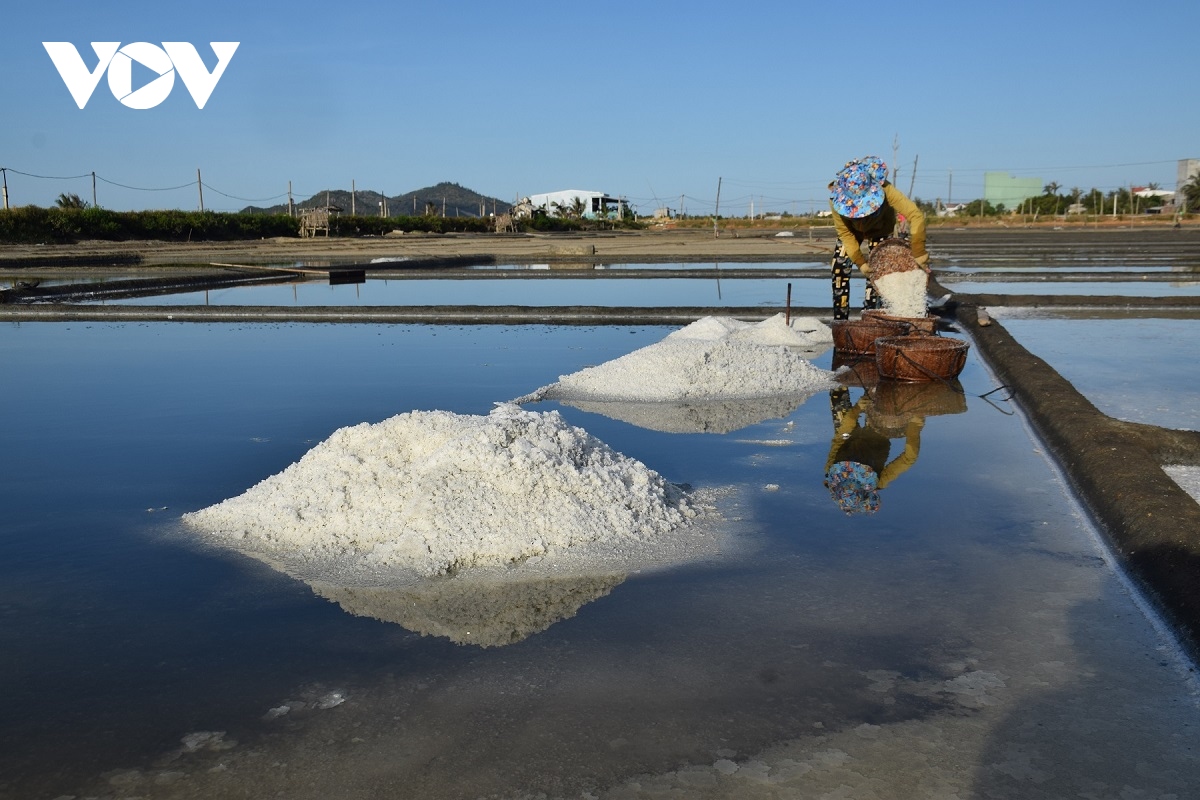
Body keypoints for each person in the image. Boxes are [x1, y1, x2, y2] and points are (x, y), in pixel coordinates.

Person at [828, 156, 929, 320]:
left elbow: (915, 215)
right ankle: (840, 320)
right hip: (853, 231)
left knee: (877, 274)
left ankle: (872, 318)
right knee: (838, 266)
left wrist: (918, 250)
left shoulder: (886, 189)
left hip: (879, 229)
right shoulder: (836, 199)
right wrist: (860, 262)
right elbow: (845, 233)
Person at [824, 391, 923, 515]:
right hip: (879, 434)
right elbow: (909, 458)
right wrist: (914, 425)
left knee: (839, 400)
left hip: (849, 435)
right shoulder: (879, 481)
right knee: (885, 401)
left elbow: (840, 438)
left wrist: (857, 409)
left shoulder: (831, 470)